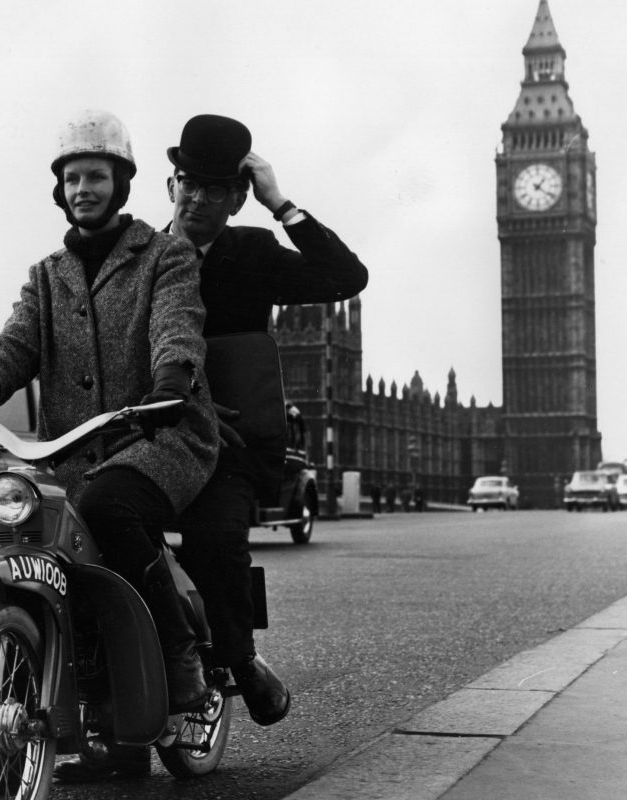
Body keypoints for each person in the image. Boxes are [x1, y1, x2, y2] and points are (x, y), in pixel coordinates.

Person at [0, 109, 219, 735]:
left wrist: (174, 380)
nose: (82, 190)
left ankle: (178, 654)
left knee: (110, 508)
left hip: (161, 435)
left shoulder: (165, 256)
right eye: (70, 179)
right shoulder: (47, 274)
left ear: (121, 183)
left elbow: (176, 325)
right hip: (77, 449)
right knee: (47, 531)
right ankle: (78, 690)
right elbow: (15, 342)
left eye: (95, 175)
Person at [165, 114, 369, 729]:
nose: (196, 199)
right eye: (186, 184)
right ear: (170, 184)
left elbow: (346, 278)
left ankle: (241, 659)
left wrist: (280, 203)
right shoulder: (142, 256)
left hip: (234, 443)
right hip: (161, 436)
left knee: (213, 537)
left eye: (214, 189)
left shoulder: (250, 252)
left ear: (236, 198)